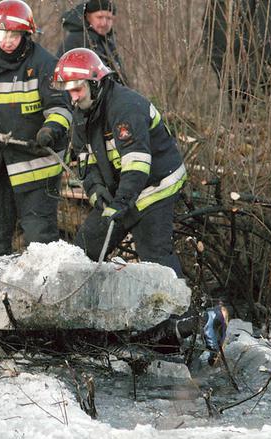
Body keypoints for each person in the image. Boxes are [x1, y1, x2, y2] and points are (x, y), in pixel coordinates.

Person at [0, 0, 73, 260]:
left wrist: (50, 131)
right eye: (1, 33)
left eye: (13, 34)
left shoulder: (45, 65)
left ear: (25, 34)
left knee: (40, 240)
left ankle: (43, 293)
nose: (6, 40)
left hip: (36, 167)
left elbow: (62, 108)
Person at [52, 48, 185, 277]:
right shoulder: (83, 112)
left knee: (155, 258)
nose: (73, 97)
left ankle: (180, 311)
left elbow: (137, 163)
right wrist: (96, 190)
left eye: (77, 89)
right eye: (69, 91)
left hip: (154, 187)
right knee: (83, 249)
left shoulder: (125, 107)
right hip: (120, 193)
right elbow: (85, 160)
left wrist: (121, 202)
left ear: (95, 84)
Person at [203, 0, 271, 114]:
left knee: (261, 122)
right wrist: (220, 64)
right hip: (234, 73)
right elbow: (211, 26)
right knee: (238, 122)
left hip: (266, 71)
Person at [57, 0, 127, 85]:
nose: (104, 23)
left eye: (109, 18)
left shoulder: (107, 43)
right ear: (88, 17)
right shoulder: (77, 41)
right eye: (99, 17)